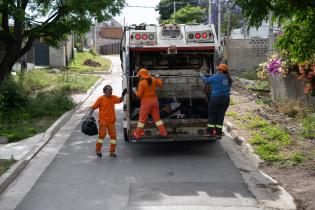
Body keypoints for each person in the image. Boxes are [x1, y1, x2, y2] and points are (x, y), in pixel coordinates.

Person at [89, 85, 127, 158]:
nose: (111, 91)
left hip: (111, 122)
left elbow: (120, 100)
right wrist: (89, 116)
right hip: (103, 122)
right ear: (105, 91)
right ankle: (98, 150)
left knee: (113, 137)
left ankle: (112, 152)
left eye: (111, 90)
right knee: (101, 137)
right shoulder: (101, 99)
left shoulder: (113, 98)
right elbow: (93, 107)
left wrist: (123, 94)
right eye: (109, 90)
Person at [132, 68, 168, 139]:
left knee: (142, 120)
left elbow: (139, 95)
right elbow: (160, 84)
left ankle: (137, 134)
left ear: (141, 76)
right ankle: (163, 133)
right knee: (157, 120)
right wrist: (157, 78)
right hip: (155, 102)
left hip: (146, 103)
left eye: (139, 76)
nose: (139, 77)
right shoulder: (153, 79)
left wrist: (135, 90)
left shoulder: (141, 83)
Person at [200, 63, 232, 139]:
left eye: (218, 69)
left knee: (212, 115)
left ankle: (209, 132)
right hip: (225, 100)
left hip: (215, 99)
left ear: (221, 70)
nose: (217, 70)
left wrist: (201, 75)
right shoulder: (228, 79)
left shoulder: (216, 76)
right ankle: (218, 133)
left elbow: (206, 81)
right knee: (220, 116)